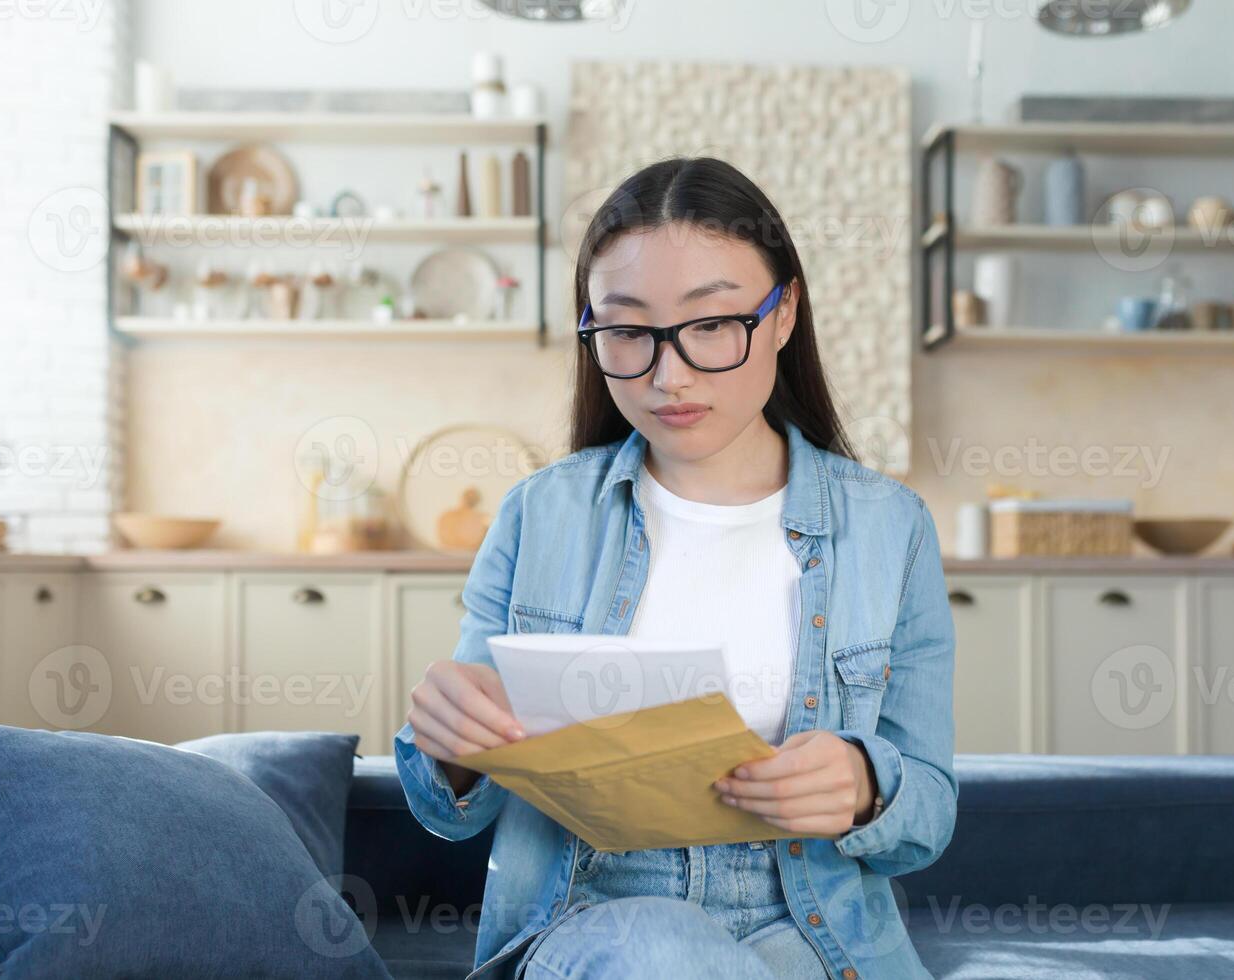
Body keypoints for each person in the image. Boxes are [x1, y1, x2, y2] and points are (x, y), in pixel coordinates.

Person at [395, 156, 957, 980]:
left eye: (712, 325)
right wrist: (449, 745)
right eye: (627, 331)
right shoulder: (540, 514)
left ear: (783, 313)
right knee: (661, 949)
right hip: (598, 924)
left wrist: (866, 788)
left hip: (811, 930)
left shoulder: (889, 527)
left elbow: (930, 813)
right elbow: (452, 816)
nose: (670, 374)